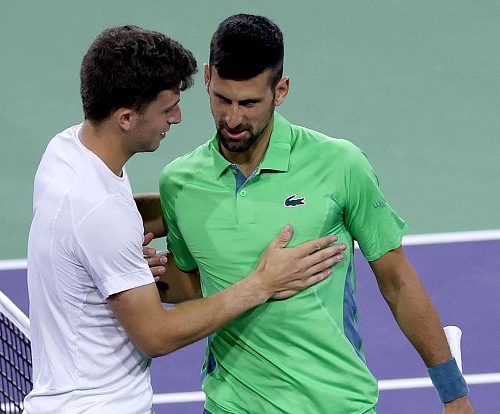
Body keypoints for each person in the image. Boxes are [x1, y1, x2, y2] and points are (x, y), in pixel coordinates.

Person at [157, 14, 475, 414]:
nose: (233, 119)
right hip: (230, 405)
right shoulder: (180, 183)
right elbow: (194, 281)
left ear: (281, 90)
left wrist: (454, 395)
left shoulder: (340, 164)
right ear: (206, 78)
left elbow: (396, 280)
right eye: (222, 99)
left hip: (335, 404)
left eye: (250, 103)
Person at [22, 25, 348, 414]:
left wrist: (177, 213)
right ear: (126, 117)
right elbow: (155, 336)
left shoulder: (66, 151)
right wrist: (262, 284)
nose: (176, 118)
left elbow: (97, 223)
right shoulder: (100, 213)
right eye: (166, 108)